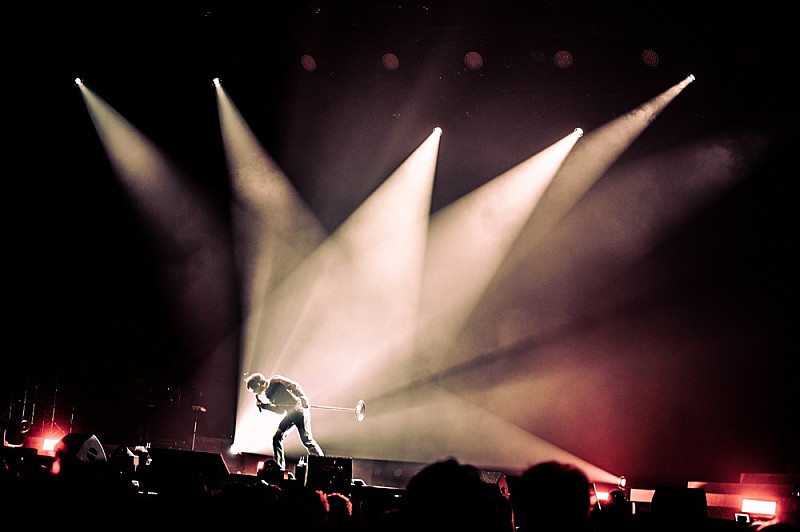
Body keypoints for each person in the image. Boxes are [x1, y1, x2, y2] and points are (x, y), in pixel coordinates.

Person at [245, 372, 324, 470]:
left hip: (298, 410)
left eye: (254, 390)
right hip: (290, 415)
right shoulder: (268, 394)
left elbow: (293, 385)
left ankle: (322, 462)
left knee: (306, 441)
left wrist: (303, 398)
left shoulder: (275, 380)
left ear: (258, 384)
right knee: (276, 438)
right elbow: (280, 411)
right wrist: (264, 406)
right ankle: (279, 467)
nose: (255, 393)